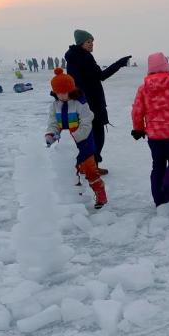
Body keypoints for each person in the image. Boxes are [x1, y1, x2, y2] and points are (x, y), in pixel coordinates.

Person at [65, 29, 131, 174]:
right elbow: (101, 76)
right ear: (81, 43)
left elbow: (76, 81)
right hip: (91, 102)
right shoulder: (84, 58)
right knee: (97, 136)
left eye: (92, 42)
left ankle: (86, 164)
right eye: (88, 42)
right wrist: (119, 63)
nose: (92, 44)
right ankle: (90, 165)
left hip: (84, 102)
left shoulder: (75, 57)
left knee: (90, 136)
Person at [131, 52, 169, 207]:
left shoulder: (143, 87)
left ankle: (159, 199)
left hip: (154, 136)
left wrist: (138, 128)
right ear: (166, 65)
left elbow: (137, 110)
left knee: (158, 166)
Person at [45, 68, 107, 209]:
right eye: (58, 93)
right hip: (67, 149)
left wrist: (74, 138)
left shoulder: (80, 103)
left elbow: (86, 122)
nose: (62, 95)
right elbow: (53, 123)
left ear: (71, 89)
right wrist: (51, 135)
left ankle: (100, 194)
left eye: (64, 92)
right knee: (72, 173)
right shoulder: (55, 106)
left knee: (91, 171)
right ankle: (76, 199)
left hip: (84, 144)